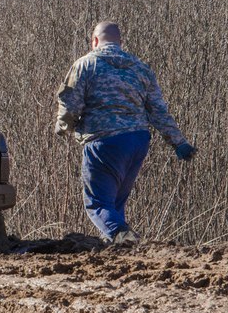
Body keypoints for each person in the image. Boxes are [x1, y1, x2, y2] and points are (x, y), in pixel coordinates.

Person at [55, 20, 195, 247]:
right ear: (120, 42)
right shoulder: (141, 68)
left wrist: (63, 127)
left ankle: (126, 238)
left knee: (98, 203)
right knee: (116, 201)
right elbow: (158, 111)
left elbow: (70, 105)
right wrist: (179, 142)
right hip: (138, 141)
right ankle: (118, 248)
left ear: (95, 41)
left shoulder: (86, 65)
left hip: (103, 141)